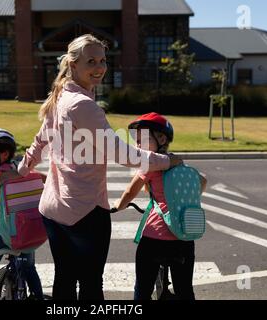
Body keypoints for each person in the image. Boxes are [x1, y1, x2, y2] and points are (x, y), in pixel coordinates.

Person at [16, 34, 183, 300]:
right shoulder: (83, 105)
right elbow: (122, 153)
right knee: (91, 284)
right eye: (91, 61)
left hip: (53, 209)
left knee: (65, 278)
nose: (99, 67)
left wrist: (22, 169)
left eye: (103, 60)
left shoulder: (59, 97)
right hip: (85, 211)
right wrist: (167, 160)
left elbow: (39, 141)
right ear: (72, 65)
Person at [112, 112, 207, 300]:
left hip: (154, 239)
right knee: (184, 290)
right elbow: (202, 182)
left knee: (142, 288)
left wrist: (118, 205)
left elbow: (130, 193)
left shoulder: (151, 165)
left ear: (161, 138)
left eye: (142, 140)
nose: (138, 145)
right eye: (136, 140)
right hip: (183, 236)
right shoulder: (179, 163)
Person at [0, 128, 44, 300]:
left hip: (2, 232)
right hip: (26, 230)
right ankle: (38, 297)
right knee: (29, 268)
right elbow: (43, 177)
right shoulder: (20, 169)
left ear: (4, 154)